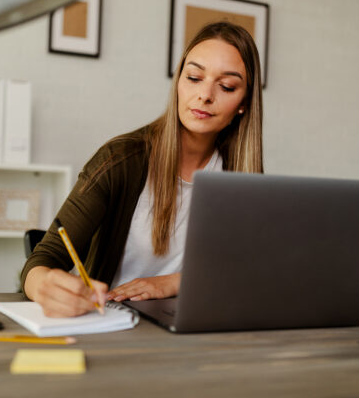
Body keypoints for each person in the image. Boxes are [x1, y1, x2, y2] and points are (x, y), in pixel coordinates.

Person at [21, 21, 264, 317]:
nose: (205, 95)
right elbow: (41, 261)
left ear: (243, 103)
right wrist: (43, 284)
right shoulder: (119, 160)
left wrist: (174, 283)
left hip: (198, 328)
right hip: (115, 321)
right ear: (178, 83)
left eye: (226, 86)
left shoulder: (244, 177)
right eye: (194, 77)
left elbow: (249, 272)